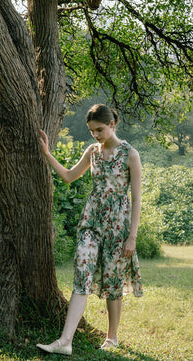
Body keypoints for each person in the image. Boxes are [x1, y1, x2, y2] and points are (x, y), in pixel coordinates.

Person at [37, 104, 143, 355]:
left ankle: (112, 337)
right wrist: (46, 153)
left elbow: (137, 199)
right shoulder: (92, 152)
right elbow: (68, 176)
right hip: (91, 222)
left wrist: (132, 236)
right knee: (82, 271)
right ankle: (65, 341)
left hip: (118, 227)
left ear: (112, 124)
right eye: (91, 131)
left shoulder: (130, 154)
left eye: (99, 130)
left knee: (113, 281)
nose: (95, 135)